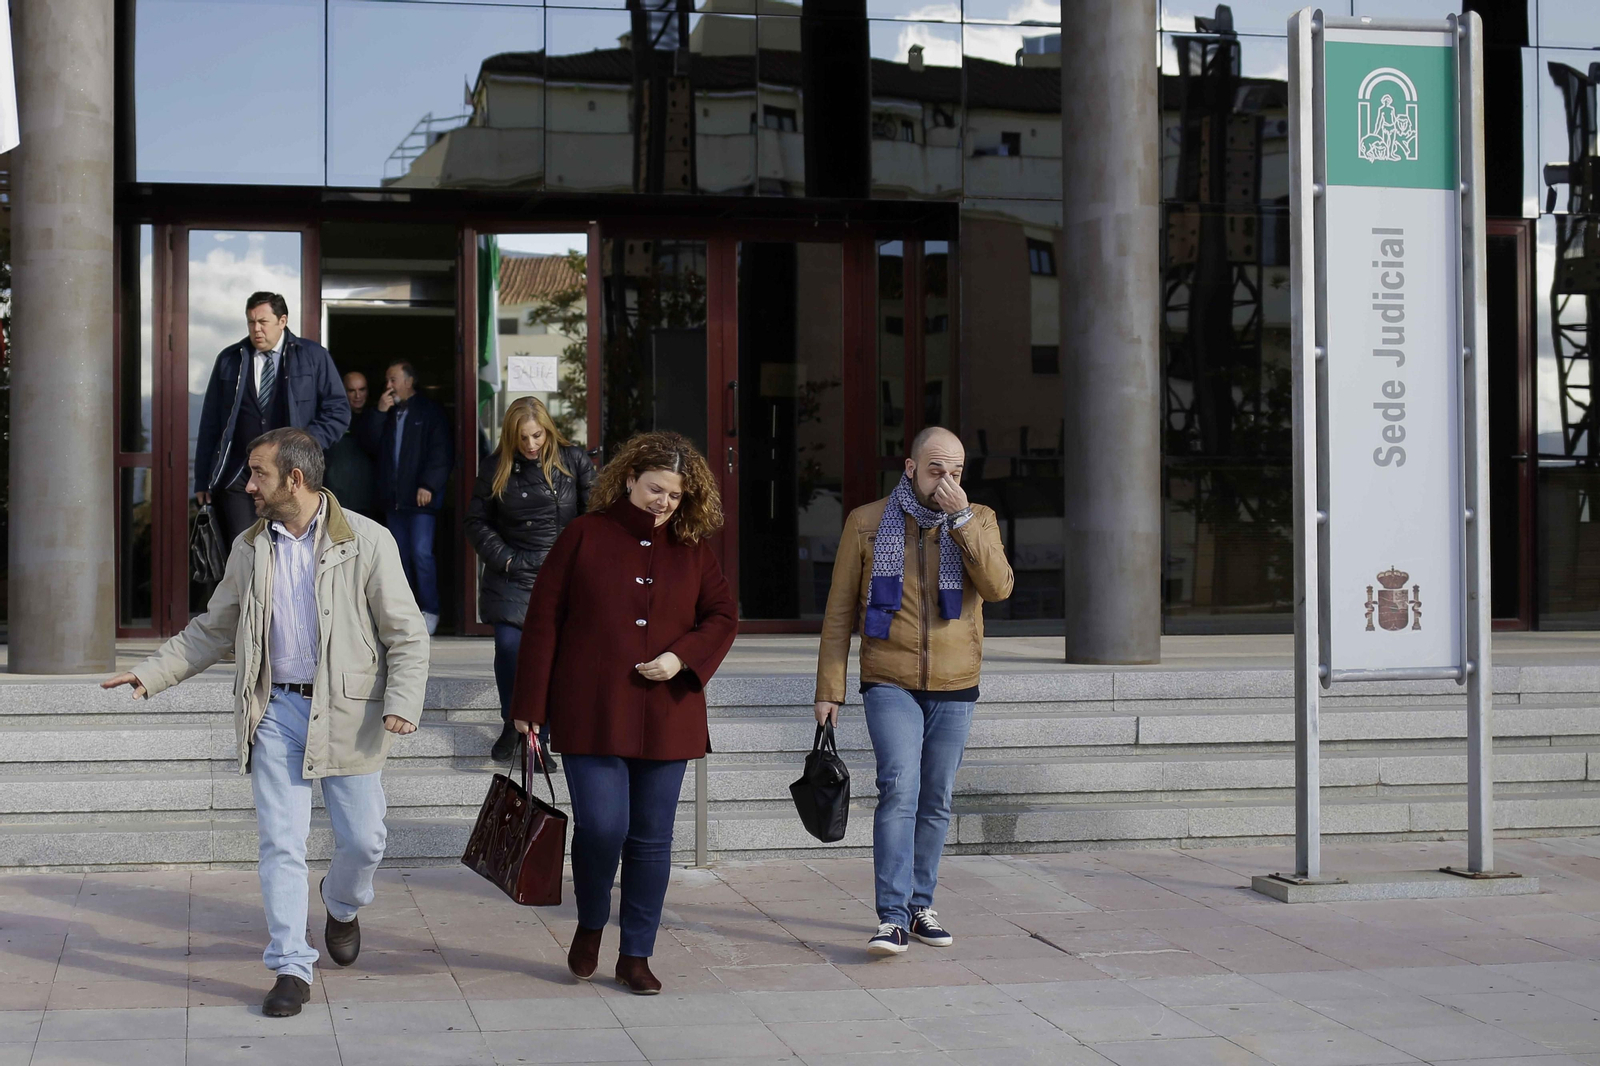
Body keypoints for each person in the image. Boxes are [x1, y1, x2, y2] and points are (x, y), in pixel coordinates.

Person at [102, 428, 429, 1017]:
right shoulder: (250, 547)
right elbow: (214, 627)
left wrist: (402, 701)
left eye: (258, 474)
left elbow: (406, 633)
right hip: (274, 709)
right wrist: (150, 674)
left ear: (295, 480)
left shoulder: (368, 541)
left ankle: (342, 903)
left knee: (365, 840)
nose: (247, 486)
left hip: (351, 715)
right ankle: (290, 965)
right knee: (282, 842)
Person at [510, 431, 737, 995]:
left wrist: (679, 657)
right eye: (655, 489)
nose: (663, 502)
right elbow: (543, 621)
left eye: (674, 495)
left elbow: (723, 616)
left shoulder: (692, 548)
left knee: (652, 839)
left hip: (669, 713)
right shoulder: (584, 534)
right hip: (591, 709)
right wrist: (528, 706)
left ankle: (636, 953)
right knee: (603, 826)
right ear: (630, 479)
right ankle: (590, 925)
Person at [813, 426, 1013, 956]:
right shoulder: (867, 521)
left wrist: (963, 520)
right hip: (889, 678)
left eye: (956, 472)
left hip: (955, 681)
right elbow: (838, 613)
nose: (946, 480)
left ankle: (922, 905)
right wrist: (829, 687)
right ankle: (892, 917)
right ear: (909, 467)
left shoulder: (980, 519)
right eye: (935, 470)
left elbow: (998, 587)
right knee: (899, 786)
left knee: (937, 798)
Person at [465, 397, 596, 764]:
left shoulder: (573, 461)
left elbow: (596, 514)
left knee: (554, 654)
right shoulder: (496, 466)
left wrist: (581, 561)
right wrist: (507, 559)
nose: (531, 444)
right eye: (523, 438)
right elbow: (476, 522)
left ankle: (539, 733)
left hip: (563, 574)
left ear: (548, 430)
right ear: (511, 436)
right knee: (509, 647)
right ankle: (513, 721)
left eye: (537, 435)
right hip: (513, 572)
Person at [194, 292, 350, 545]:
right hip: (238, 474)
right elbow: (211, 422)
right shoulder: (230, 359)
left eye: (263, 322)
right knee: (244, 550)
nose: (256, 329)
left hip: (290, 475)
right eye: (251, 322)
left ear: (282, 321)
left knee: (290, 548)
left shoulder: (313, 356)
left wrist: (305, 444)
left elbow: (338, 411)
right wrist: (202, 477)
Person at [363, 361, 454, 634]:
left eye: (393, 380)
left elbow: (442, 451)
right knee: (398, 558)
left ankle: (430, 610)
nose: (388, 386)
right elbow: (369, 446)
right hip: (393, 500)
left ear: (409, 382)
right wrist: (379, 413)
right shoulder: (387, 413)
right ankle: (406, 612)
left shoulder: (429, 411)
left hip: (421, 501)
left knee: (421, 554)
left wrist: (429, 484)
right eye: (387, 380)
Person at [323, 371, 377, 518]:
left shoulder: (377, 417)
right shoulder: (331, 420)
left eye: (362, 390)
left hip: (370, 500)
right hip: (339, 499)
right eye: (352, 391)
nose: (358, 396)